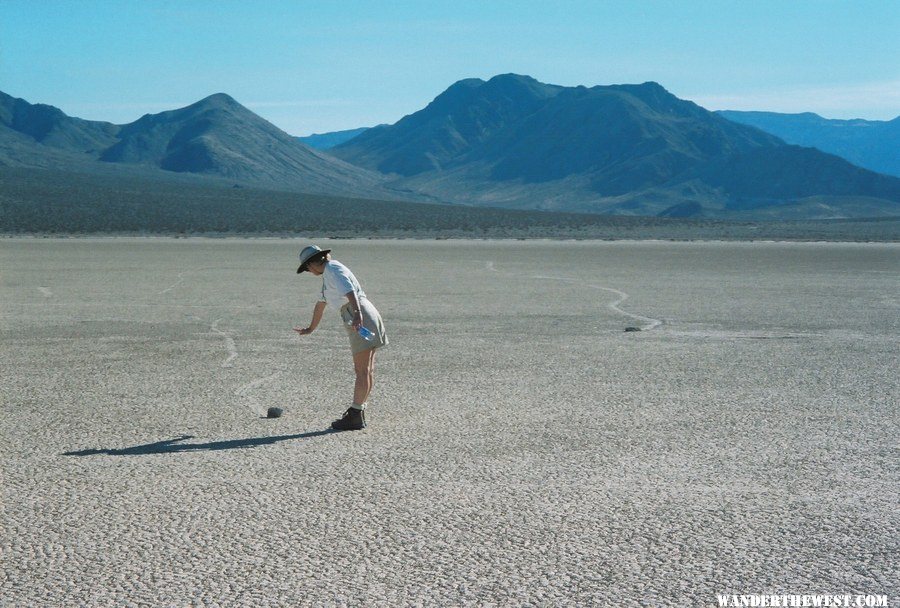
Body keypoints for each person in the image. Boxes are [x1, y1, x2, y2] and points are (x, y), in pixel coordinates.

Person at [293, 245, 388, 430]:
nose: (308, 271)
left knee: (362, 370)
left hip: (358, 313)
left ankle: (355, 414)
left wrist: (358, 314)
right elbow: (321, 304)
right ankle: (358, 412)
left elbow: (349, 291)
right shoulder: (329, 274)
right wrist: (311, 328)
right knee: (366, 370)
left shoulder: (333, 269)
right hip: (360, 312)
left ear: (313, 263)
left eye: (307, 268)